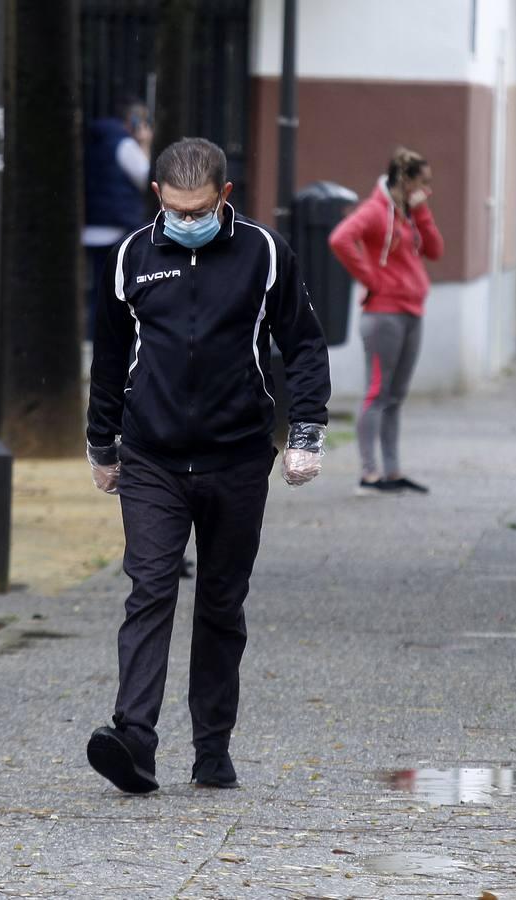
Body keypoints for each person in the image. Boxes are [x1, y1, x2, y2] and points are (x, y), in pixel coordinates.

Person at [84, 137, 332, 794]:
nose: (186, 219)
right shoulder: (131, 257)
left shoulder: (265, 254)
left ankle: (211, 747)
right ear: (156, 197)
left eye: (199, 208)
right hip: (151, 457)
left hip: (235, 458)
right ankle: (133, 738)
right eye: (175, 207)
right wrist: (100, 444)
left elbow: (303, 344)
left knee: (222, 603)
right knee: (149, 590)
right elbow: (109, 358)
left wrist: (306, 431)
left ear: (224, 198)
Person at [327, 146, 444, 495]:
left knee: (395, 397)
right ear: (405, 180)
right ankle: (369, 473)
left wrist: (422, 213)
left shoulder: (409, 215)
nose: (427, 190)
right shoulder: (375, 211)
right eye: (422, 183)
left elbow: (435, 250)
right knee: (377, 393)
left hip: (411, 312)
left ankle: (392, 472)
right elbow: (340, 238)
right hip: (383, 316)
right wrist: (373, 280)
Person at [82, 101, 154, 335]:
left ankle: (94, 334)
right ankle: (106, 336)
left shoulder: (95, 142)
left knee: (98, 289)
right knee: (117, 291)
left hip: (92, 228)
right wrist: (144, 145)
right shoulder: (124, 145)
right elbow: (146, 178)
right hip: (116, 228)